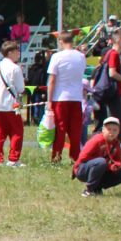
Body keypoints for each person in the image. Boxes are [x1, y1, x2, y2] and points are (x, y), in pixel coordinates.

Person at [45, 32, 88, 165]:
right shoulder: (81, 56)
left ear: (60, 41)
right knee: (75, 130)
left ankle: (56, 156)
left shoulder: (57, 56)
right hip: (76, 97)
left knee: (60, 129)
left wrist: (49, 100)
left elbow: (52, 80)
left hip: (60, 97)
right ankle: (75, 157)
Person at [0, 40, 27, 166]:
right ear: (10, 53)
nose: (18, 53)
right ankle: (13, 159)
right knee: (16, 132)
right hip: (10, 105)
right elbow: (21, 89)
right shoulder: (15, 68)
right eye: (16, 51)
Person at [73, 115, 121, 196]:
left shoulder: (116, 143)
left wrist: (115, 166)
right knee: (101, 162)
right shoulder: (96, 140)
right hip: (83, 169)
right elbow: (82, 157)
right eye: (109, 129)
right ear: (103, 130)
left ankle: (97, 188)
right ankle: (89, 190)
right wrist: (105, 164)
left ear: (119, 131)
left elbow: (118, 160)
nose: (111, 132)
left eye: (115, 130)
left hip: (102, 168)